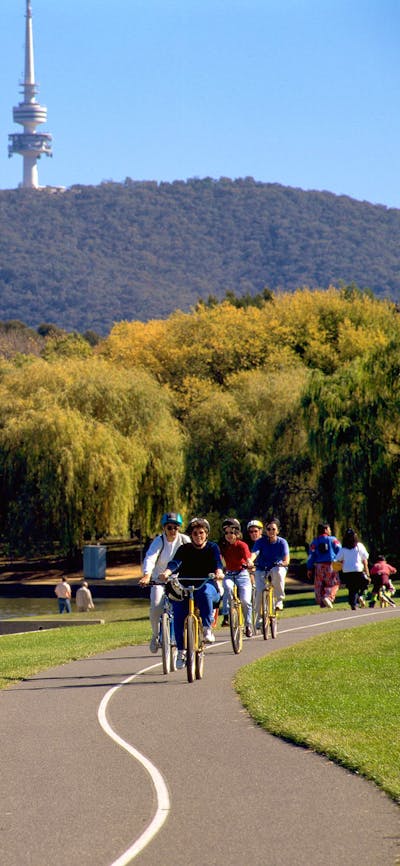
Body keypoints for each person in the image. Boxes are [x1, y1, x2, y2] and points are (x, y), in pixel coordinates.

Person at [159, 517, 224, 669]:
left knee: (205, 593)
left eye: (201, 532)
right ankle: (181, 652)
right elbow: (175, 563)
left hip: (207, 584)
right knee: (179, 614)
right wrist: (167, 572)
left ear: (206, 533)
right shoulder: (184, 549)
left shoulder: (213, 547)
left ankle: (207, 629)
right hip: (186, 586)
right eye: (195, 533)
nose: (198, 536)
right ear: (191, 535)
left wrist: (219, 572)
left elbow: (217, 563)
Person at [139, 512, 190, 653]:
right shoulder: (159, 541)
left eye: (176, 527)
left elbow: (194, 556)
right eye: (169, 527)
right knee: (156, 606)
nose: (173, 530)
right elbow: (150, 558)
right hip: (159, 580)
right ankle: (155, 635)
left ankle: (186, 635)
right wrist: (147, 575)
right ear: (164, 528)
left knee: (184, 608)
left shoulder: (185, 540)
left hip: (179, 581)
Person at [220, 518, 254, 638]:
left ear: (237, 534)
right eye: (227, 533)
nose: (229, 535)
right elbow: (218, 558)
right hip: (229, 574)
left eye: (232, 533)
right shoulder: (223, 546)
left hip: (242, 574)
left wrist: (249, 563)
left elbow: (247, 557)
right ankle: (226, 616)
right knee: (227, 587)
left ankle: (248, 624)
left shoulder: (242, 545)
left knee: (245, 601)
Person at [251, 517, 290, 619]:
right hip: (261, 569)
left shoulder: (282, 542)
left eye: (273, 529)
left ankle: (279, 600)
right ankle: (259, 618)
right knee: (259, 592)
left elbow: (287, 559)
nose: (271, 531)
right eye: (268, 529)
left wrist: (284, 563)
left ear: (278, 530)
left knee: (278, 571)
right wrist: (250, 561)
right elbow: (254, 553)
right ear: (265, 530)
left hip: (277, 567)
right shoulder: (260, 542)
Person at [306, 522, 341, 608]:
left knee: (319, 584)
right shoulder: (333, 540)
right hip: (331, 565)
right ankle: (328, 597)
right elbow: (340, 550)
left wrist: (309, 568)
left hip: (319, 566)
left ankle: (321, 600)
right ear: (325, 530)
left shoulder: (314, 542)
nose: (330, 530)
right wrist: (340, 562)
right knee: (334, 583)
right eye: (329, 529)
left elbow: (311, 556)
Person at [333, 528, 370, 610]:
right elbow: (365, 558)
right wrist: (367, 572)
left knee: (352, 588)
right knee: (364, 584)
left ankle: (353, 604)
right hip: (358, 570)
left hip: (347, 571)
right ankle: (361, 596)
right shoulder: (359, 546)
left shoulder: (343, 549)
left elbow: (337, 559)